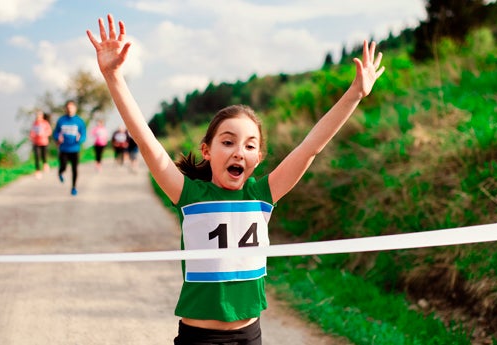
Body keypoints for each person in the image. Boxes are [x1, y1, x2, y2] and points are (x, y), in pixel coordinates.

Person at [87, 14, 384, 344]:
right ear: (207, 150)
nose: (239, 151)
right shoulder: (189, 195)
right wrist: (114, 76)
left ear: (258, 158)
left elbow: (310, 147)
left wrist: (355, 94)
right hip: (199, 338)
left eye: (250, 145)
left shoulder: (263, 194)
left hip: (249, 336)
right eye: (227, 142)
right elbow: (145, 140)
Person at [52, 100, 86, 196]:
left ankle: (74, 187)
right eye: (68, 107)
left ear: (75, 108)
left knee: (75, 169)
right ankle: (60, 173)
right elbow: (56, 133)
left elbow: (83, 134)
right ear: (66, 109)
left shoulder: (79, 121)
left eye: (71, 107)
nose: (69, 109)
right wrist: (57, 137)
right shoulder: (61, 120)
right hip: (64, 149)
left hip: (75, 149)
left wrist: (80, 139)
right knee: (63, 166)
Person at [29, 110, 52, 179]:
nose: (38, 116)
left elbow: (49, 131)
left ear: (42, 116)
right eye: (37, 115)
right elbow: (32, 132)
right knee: (37, 157)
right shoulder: (34, 123)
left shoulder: (45, 123)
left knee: (43, 155)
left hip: (44, 142)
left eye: (39, 115)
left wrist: (43, 134)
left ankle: (45, 164)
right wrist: (32, 136)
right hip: (36, 142)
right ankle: (38, 171)